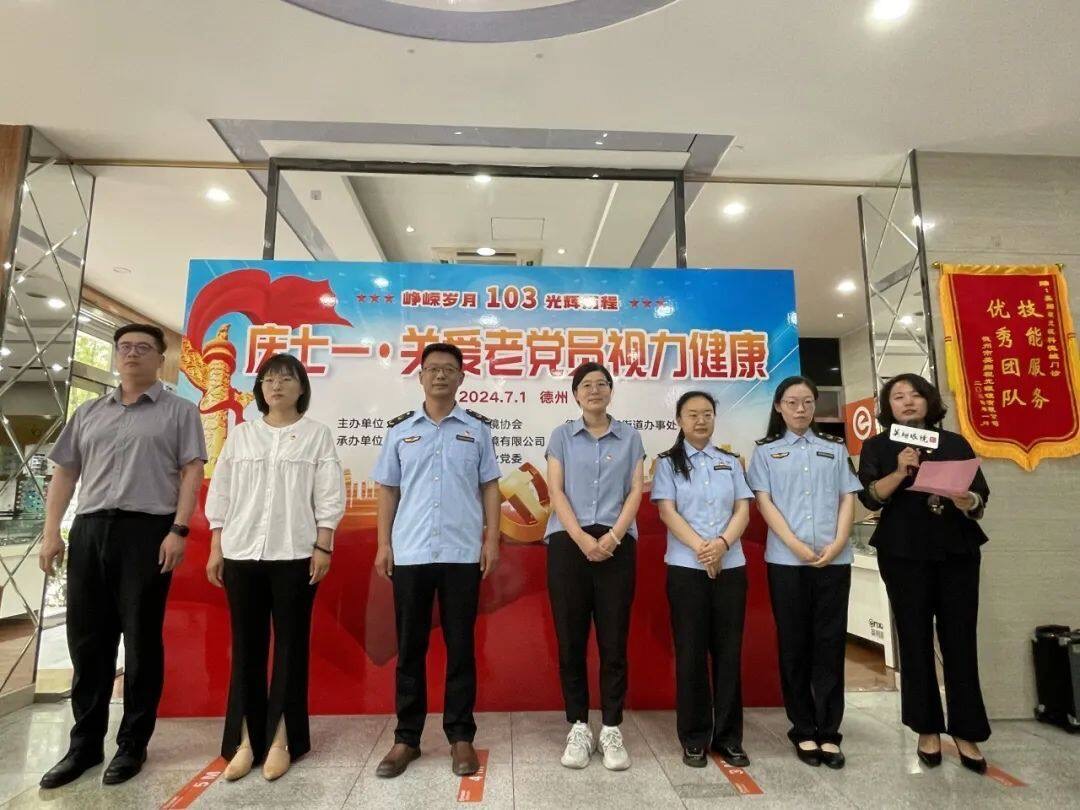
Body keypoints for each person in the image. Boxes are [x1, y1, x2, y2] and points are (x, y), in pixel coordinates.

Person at [37, 324, 206, 788]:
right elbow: (65, 473)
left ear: (160, 359)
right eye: (125, 347)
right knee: (87, 641)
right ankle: (84, 745)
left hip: (147, 532)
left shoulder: (179, 412)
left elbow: (192, 472)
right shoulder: (89, 412)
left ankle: (133, 742)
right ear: (115, 355)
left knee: (141, 639)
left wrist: (178, 530)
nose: (132, 354)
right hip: (91, 528)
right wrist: (51, 533)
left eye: (143, 348)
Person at [204, 353, 345, 782]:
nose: (276, 386)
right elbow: (221, 493)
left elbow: (329, 495)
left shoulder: (317, 435)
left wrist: (323, 546)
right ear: (260, 389)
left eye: (286, 379)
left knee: (290, 647)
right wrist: (216, 547)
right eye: (268, 379)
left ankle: (282, 739)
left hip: (295, 554)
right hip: (241, 552)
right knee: (246, 648)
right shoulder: (242, 435)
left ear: (302, 387)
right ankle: (247, 740)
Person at [371, 342, 501, 779]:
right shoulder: (400, 430)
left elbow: (490, 487)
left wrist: (492, 539)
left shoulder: (477, 430)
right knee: (410, 648)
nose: (440, 375)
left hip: (462, 553)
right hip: (410, 552)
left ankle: (460, 735)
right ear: (421, 376)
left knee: (461, 647)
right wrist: (384, 544)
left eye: (448, 369)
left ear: (461, 378)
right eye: (432, 369)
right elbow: (388, 489)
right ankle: (406, 738)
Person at [857, 373, 992, 773]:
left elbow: (980, 495)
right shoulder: (878, 446)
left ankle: (966, 730)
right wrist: (900, 471)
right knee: (914, 639)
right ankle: (926, 727)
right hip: (903, 552)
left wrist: (968, 499)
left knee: (960, 639)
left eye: (915, 394)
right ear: (888, 407)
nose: (908, 401)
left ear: (929, 401)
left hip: (956, 550)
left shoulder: (954, 442)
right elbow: (870, 496)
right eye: (898, 396)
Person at [747, 376, 861, 769]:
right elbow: (764, 502)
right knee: (794, 645)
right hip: (787, 562)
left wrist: (839, 541)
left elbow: (848, 498)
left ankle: (829, 731)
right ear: (778, 407)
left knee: (830, 644)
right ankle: (803, 728)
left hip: (834, 560)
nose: (800, 409)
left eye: (808, 402)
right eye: (792, 402)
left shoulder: (834, 448)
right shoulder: (766, 452)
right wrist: (794, 545)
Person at [545, 362, 644, 771]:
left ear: (611, 391)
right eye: (586, 385)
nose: (595, 390)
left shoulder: (631, 437)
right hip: (569, 544)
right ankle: (579, 726)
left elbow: (636, 490)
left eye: (602, 383)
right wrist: (582, 539)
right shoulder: (561, 436)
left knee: (613, 641)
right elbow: (555, 490)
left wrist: (614, 537)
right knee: (571, 640)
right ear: (575, 394)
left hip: (617, 545)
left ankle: (612, 727)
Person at [651, 390, 753, 769]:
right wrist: (703, 549)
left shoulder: (730, 461)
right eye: (692, 414)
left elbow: (743, 510)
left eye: (707, 414)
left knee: (728, 654)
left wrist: (722, 545)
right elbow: (667, 512)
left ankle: (729, 738)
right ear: (679, 420)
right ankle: (694, 738)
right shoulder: (667, 463)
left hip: (731, 567)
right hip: (686, 570)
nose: (700, 420)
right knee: (691, 654)